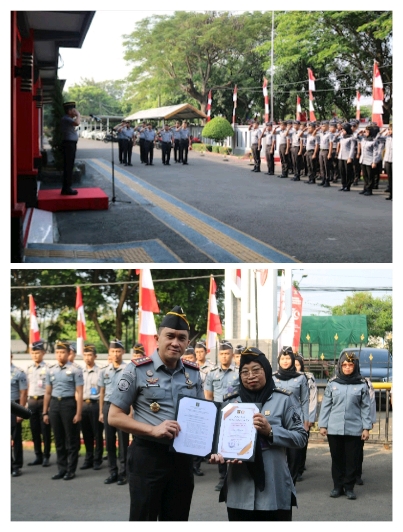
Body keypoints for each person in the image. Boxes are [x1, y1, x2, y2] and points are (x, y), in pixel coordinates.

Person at [108, 306, 204, 521]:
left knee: (177, 518)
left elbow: (203, 417)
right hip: (148, 456)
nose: (175, 343)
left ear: (188, 343)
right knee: (144, 518)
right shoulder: (136, 369)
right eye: (170, 336)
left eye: (182, 338)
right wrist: (153, 429)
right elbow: (114, 416)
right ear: (157, 338)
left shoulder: (194, 373)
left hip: (182, 459)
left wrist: (214, 446)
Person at [209, 346, 307, 521]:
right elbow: (219, 441)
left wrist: (271, 432)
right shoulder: (230, 404)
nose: (250, 376)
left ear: (267, 371)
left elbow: (301, 438)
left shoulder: (284, 399)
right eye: (244, 372)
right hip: (239, 488)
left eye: (256, 370)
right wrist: (217, 453)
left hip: (274, 489)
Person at [318, 352, 372, 500]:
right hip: (334, 428)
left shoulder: (361, 385)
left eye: (350, 365)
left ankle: (349, 487)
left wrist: (366, 428)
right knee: (337, 459)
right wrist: (322, 425)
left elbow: (365, 407)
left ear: (355, 366)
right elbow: (326, 406)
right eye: (344, 365)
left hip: (354, 429)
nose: (347, 368)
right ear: (340, 366)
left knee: (351, 459)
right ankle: (337, 486)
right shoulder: (333, 383)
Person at [43, 340, 83, 480]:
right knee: (58, 439)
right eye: (58, 352)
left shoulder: (75, 370)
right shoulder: (51, 370)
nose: (60, 355)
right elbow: (47, 393)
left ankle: (71, 470)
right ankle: (61, 468)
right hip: (54, 405)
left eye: (63, 352)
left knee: (71, 439)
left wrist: (78, 413)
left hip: (68, 404)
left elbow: (79, 392)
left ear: (68, 353)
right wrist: (45, 411)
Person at [204, 340, 240, 491]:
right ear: (218, 355)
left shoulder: (239, 372)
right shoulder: (212, 373)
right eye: (222, 354)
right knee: (219, 447)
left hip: (235, 414)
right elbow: (209, 396)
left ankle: (234, 477)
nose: (224, 357)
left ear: (232, 355)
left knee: (234, 445)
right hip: (218, 413)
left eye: (227, 354)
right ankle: (222, 477)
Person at [272, 346, 309, 484]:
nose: (285, 361)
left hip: (295, 419)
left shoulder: (300, 378)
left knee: (294, 453)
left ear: (293, 360)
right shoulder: (273, 377)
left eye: (288, 358)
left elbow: (305, 400)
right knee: (278, 452)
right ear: (279, 360)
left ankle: (290, 482)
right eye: (282, 358)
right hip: (277, 419)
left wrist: (306, 421)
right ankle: (278, 481)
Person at [98, 339, 129, 485]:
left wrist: (132, 412)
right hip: (108, 406)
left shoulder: (128, 369)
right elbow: (102, 392)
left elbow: (133, 392)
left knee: (123, 441)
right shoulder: (104, 370)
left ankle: (123, 473)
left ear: (122, 352)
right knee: (109, 441)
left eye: (118, 351)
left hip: (122, 406)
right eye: (113, 351)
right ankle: (112, 472)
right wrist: (101, 412)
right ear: (109, 353)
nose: (115, 354)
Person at [26, 340, 51, 467]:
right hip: (31, 401)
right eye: (33, 353)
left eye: (38, 352)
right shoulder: (29, 369)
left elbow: (49, 390)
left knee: (45, 430)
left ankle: (46, 456)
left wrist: (47, 408)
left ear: (43, 353)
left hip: (43, 401)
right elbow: (27, 386)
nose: (35, 355)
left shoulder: (48, 369)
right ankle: (38, 456)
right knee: (35, 430)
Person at [79, 344, 103, 471]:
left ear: (95, 356)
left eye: (90, 355)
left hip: (95, 404)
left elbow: (103, 391)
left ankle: (97, 459)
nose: (87, 358)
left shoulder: (101, 372)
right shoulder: (80, 372)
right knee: (86, 434)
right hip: (83, 405)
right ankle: (88, 458)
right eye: (85, 355)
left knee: (97, 434)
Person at [294, 354, 317, 481]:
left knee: (302, 444)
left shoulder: (308, 377)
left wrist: (310, 418)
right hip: (290, 416)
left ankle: (299, 469)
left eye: (298, 364)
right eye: (294, 364)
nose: (296, 367)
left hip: (304, 416)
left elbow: (312, 399)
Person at [11, 354, 28, 477]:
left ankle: (16, 466)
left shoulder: (18, 372)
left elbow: (23, 393)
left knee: (16, 437)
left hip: (14, 406)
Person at [60, 101, 81, 195]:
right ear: (69, 111)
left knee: (69, 165)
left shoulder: (67, 119)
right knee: (68, 166)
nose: (75, 111)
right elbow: (77, 123)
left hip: (70, 144)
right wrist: (78, 115)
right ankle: (66, 188)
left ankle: (67, 187)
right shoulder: (66, 118)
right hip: (68, 144)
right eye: (73, 110)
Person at [358, 124, 382, 196]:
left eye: (367, 131)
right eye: (365, 131)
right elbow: (356, 137)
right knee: (365, 175)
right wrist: (360, 132)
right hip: (363, 159)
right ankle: (365, 188)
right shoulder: (364, 139)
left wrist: (374, 162)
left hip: (370, 160)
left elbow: (376, 152)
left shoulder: (374, 141)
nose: (366, 133)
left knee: (370, 176)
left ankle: (369, 189)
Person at [336, 122, 357, 192]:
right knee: (342, 171)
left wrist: (350, 157)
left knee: (348, 171)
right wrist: (338, 134)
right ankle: (343, 184)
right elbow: (334, 140)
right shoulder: (342, 137)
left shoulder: (352, 138)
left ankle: (348, 186)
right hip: (341, 156)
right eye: (342, 130)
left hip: (347, 157)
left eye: (344, 130)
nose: (342, 131)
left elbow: (352, 148)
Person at [317, 120, 332, 187]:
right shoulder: (320, 133)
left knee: (326, 167)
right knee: (321, 166)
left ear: (327, 126)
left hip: (326, 151)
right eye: (321, 126)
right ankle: (323, 179)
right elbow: (314, 134)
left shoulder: (329, 134)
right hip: (321, 151)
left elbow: (331, 144)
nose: (322, 127)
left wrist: (329, 153)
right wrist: (317, 129)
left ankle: (327, 180)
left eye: (323, 126)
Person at [379, 124, 392, 200]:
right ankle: (391, 194)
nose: (390, 131)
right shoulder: (387, 138)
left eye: (391, 130)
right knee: (390, 178)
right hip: (387, 159)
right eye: (389, 130)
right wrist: (382, 132)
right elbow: (377, 138)